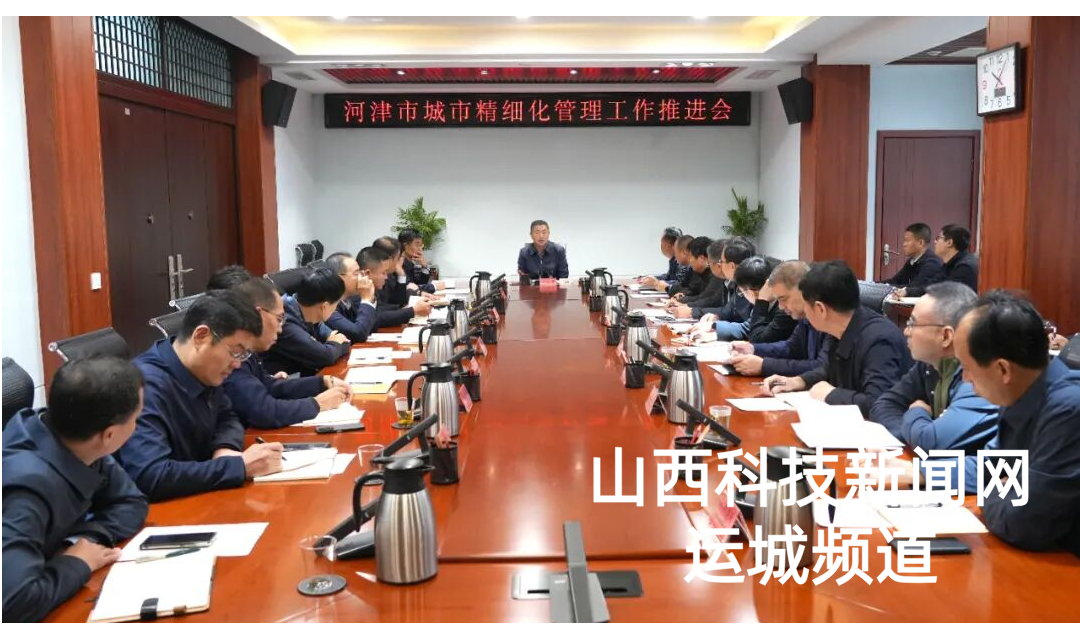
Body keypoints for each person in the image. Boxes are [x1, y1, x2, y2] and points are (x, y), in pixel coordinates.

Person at [867, 291, 1080, 556]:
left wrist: (990, 494)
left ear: (1003, 369)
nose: (966, 380)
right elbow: (990, 470)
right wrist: (925, 472)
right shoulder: (1018, 392)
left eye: (967, 368)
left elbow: (1024, 523)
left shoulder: (1068, 410)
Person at [3, 357, 148, 622]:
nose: (136, 426)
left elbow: (131, 502)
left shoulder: (75, 437)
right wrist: (78, 562)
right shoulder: (25, 490)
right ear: (109, 435)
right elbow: (13, 605)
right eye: (136, 418)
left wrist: (81, 542)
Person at [115, 290, 285, 502]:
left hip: (200, 497)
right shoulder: (145, 386)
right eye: (235, 351)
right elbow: (151, 475)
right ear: (201, 336)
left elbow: (227, 417)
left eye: (244, 354)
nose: (237, 364)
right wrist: (237, 466)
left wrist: (225, 447)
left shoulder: (203, 370)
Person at [764, 260, 913, 417]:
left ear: (821, 309)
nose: (805, 313)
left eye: (806, 306)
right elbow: (828, 369)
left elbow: (878, 403)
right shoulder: (840, 329)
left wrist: (831, 394)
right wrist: (799, 381)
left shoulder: (880, 341)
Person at [870, 282, 998, 452]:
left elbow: (931, 442)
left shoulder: (976, 375)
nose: (906, 331)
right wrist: (915, 435)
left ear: (945, 336)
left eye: (912, 323)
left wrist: (916, 412)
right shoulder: (929, 363)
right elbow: (884, 404)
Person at [223, 277, 351, 429]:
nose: (280, 329)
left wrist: (321, 382)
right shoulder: (232, 354)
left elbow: (270, 386)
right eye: (279, 318)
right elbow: (265, 411)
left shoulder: (248, 350)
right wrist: (318, 403)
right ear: (259, 315)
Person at [728, 261, 834, 377]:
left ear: (804, 290)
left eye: (783, 299)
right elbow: (791, 347)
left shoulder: (831, 316)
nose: (781, 307)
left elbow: (822, 367)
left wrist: (764, 365)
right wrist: (753, 349)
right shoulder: (804, 316)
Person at [261, 267, 352, 377]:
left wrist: (331, 345)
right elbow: (325, 356)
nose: (335, 309)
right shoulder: (285, 321)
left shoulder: (309, 315)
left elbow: (344, 342)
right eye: (336, 305)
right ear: (324, 306)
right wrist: (333, 344)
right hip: (279, 381)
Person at [728, 256, 797, 343]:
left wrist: (761, 302)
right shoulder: (766, 304)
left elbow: (757, 340)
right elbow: (748, 327)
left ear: (752, 293)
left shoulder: (785, 310)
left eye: (741, 292)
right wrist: (715, 326)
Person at [370, 239, 433, 328]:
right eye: (399, 258)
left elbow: (396, 301)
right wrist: (410, 310)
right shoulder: (375, 279)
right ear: (389, 259)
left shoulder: (387, 275)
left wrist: (404, 309)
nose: (401, 261)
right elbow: (376, 315)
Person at [326, 248, 380, 342]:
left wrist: (369, 299)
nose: (362, 277)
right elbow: (358, 334)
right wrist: (366, 300)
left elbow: (371, 326)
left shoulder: (348, 300)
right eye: (356, 273)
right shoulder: (327, 306)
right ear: (339, 278)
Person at [884, 222, 945, 298]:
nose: (904, 244)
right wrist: (874, 284)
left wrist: (885, 287)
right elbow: (894, 281)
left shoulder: (932, 263)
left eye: (907, 240)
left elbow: (915, 288)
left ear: (920, 243)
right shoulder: (911, 261)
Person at [934, 223, 979, 292]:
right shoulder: (949, 264)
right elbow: (933, 286)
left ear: (949, 242)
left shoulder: (965, 268)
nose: (935, 241)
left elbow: (950, 294)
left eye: (938, 238)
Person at [399, 228, 444, 294]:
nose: (420, 249)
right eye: (417, 245)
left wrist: (424, 266)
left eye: (421, 245)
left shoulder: (410, 263)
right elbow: (409, 288)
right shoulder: (399, 264)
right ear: (405, 246)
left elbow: (419, 283)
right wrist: (434, 286)